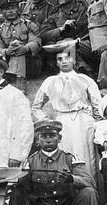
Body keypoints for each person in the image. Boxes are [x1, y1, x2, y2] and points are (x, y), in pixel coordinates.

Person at [22, 119, 105, 205]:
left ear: (59, 138)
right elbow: (23, 190)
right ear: (38, 140)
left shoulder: (70, 158)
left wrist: (72, 179)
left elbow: (89, 181)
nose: (48, 140)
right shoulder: (30, 162)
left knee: (88, 192)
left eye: (52, 136)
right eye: (44, 136)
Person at [31, 46, 102, 182]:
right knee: (65, 156)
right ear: (56, 63)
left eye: (68, 58)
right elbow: (36, 107)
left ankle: (90, 193)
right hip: (62, 121)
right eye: (60, 59)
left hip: (83, 120)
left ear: (74, 60)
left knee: (87, 158)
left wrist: (98, 125)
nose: (64, 61)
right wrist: (48, 121)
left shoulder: (85, 79)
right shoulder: (50, 81)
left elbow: (97, 104)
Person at [0, 0, 41, 81]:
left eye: (13, 8)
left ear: (18, 9)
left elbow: (36, 42)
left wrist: (26, 48)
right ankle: (18, 80)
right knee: (15, 48)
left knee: (18, 48)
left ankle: (15, 79)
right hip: (7, 63)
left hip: (29, 64)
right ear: (1, 12)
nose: (10, 11)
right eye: (6, 9)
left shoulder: (29, 25)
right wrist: (7, 51)